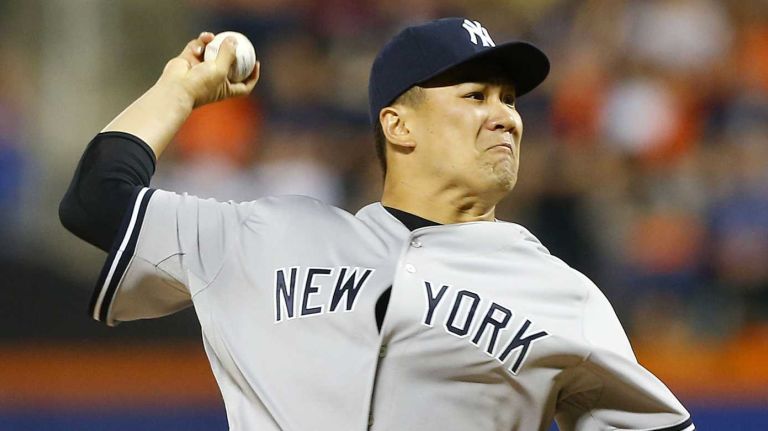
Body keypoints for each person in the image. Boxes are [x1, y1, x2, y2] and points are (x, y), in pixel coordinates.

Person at [59, 18, 695, 431]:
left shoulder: (564, 295)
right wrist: (180, 89)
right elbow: (94, 201)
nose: (506, 117)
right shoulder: (265, 234)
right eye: (476, 96)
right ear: (399, 125)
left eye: (509, 100)